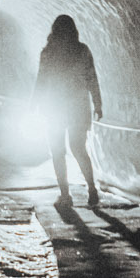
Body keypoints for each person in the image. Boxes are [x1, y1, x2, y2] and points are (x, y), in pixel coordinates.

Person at [35, 14, 103, 205]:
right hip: (78, 106)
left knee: (58, 151)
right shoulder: (82, 51)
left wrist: (35, 102)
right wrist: (98, 103)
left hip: (55, 106)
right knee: (79, 148)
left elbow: (41, 79)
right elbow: (92, 78)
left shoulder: (48, 52)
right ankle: (92, 189)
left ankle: (65, 195)